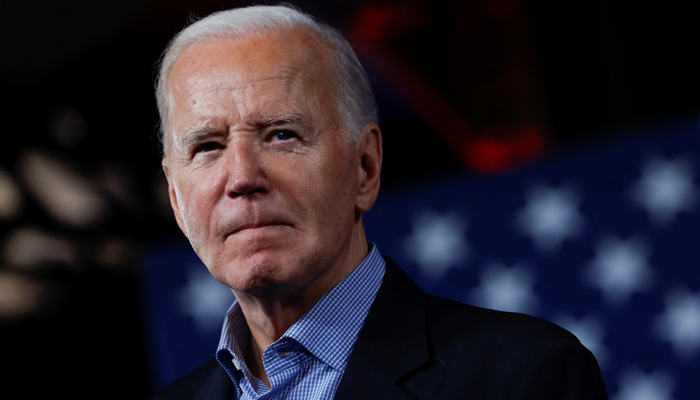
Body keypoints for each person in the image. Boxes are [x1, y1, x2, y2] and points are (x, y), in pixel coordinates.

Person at [151, 4, 608, 400]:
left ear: (365, 167)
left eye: (281, 135)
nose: (243, 178)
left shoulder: (522, 376)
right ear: (176, 197)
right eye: (208, 147)